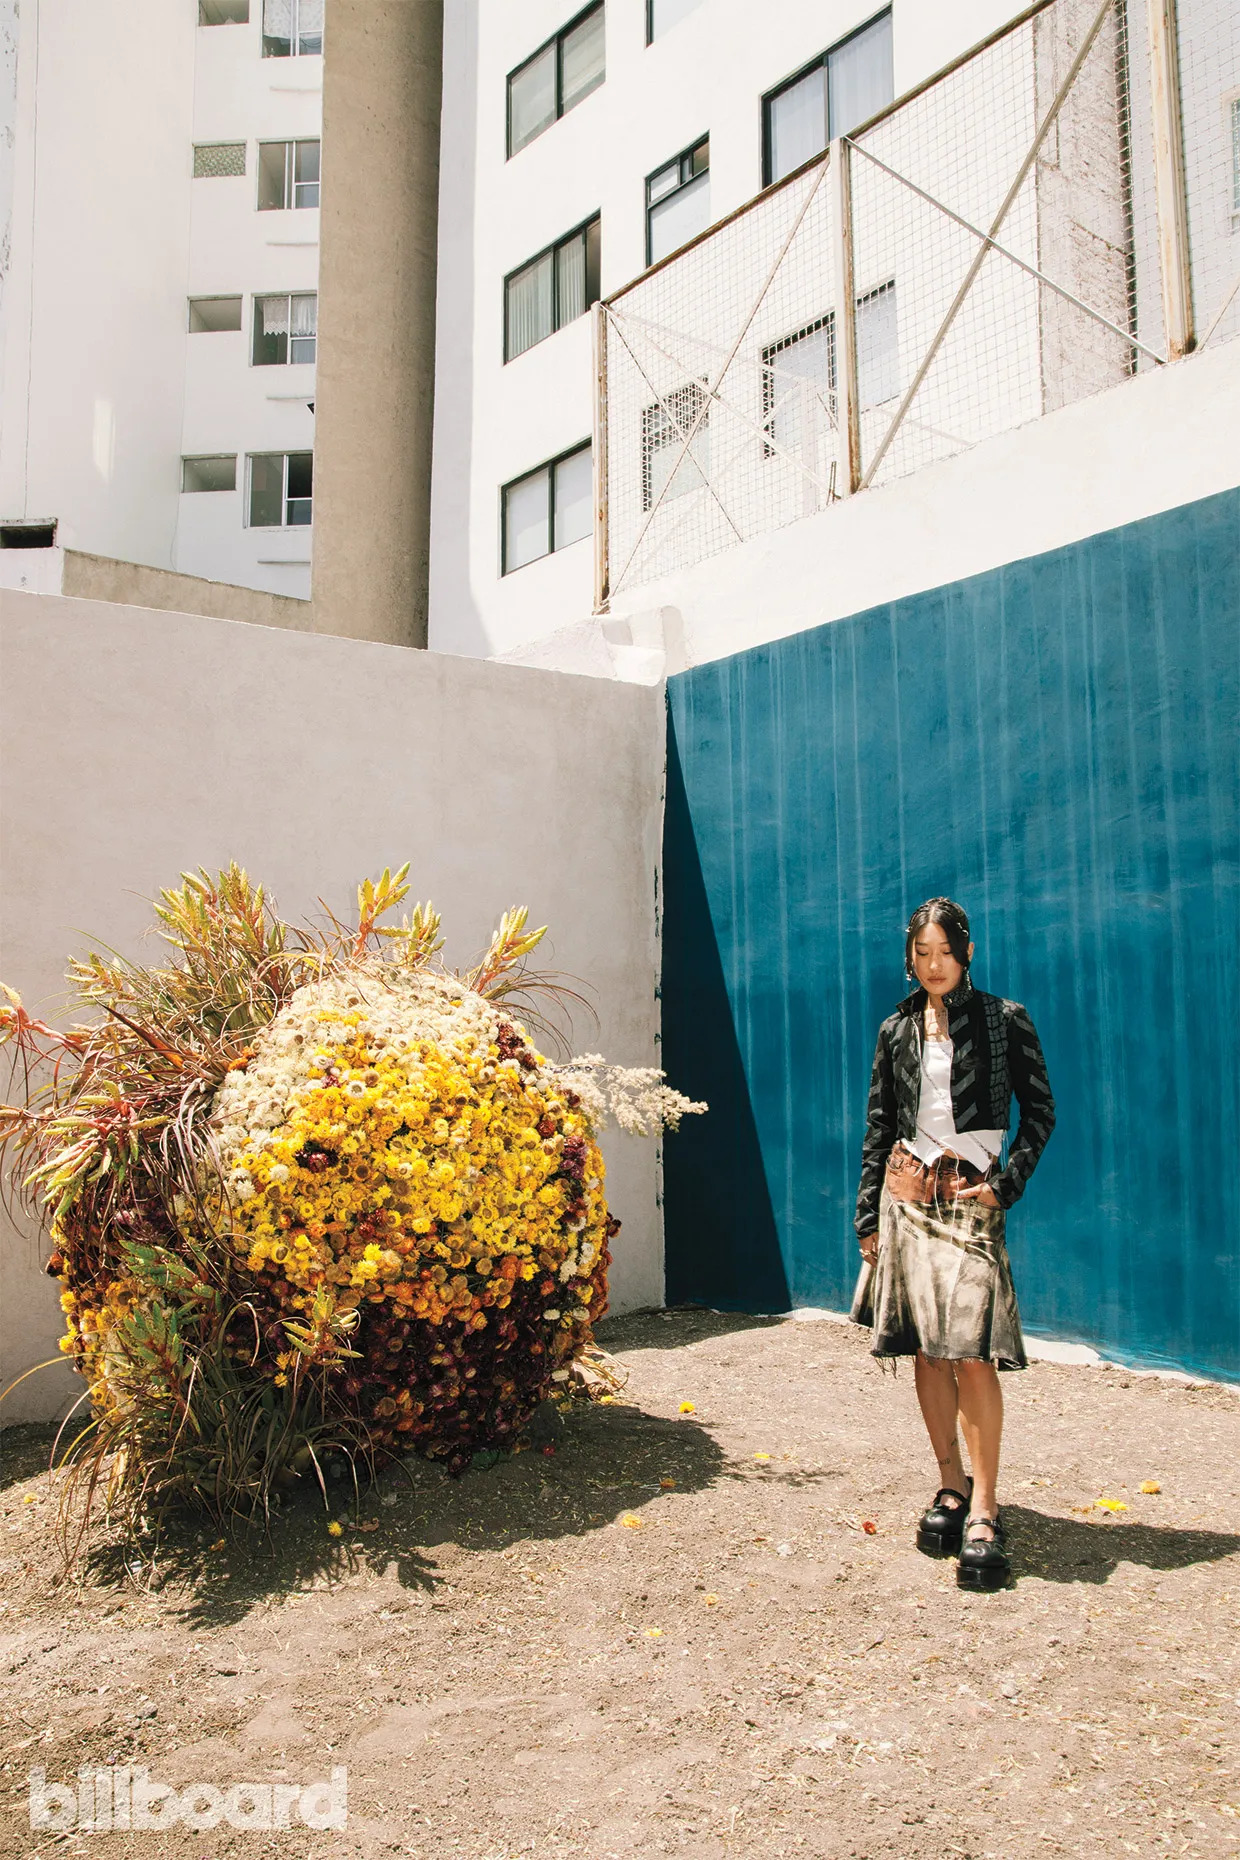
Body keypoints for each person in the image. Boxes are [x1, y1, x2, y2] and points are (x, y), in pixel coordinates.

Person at [850, 898, 1055, 1591]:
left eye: (944, 951)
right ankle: (949, 1485)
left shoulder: (1005, 1020)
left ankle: (987, 1510)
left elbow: (1040, 1112)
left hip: (971, 1202)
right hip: (907, 1201)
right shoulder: (895, 1028)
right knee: (929, 1350)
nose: (933, 964)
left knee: (972, 1353)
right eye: (922, 953)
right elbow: (880, 1124)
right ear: (909, 957)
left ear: (966, 953)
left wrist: (1008, 1185)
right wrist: (867, 1221)